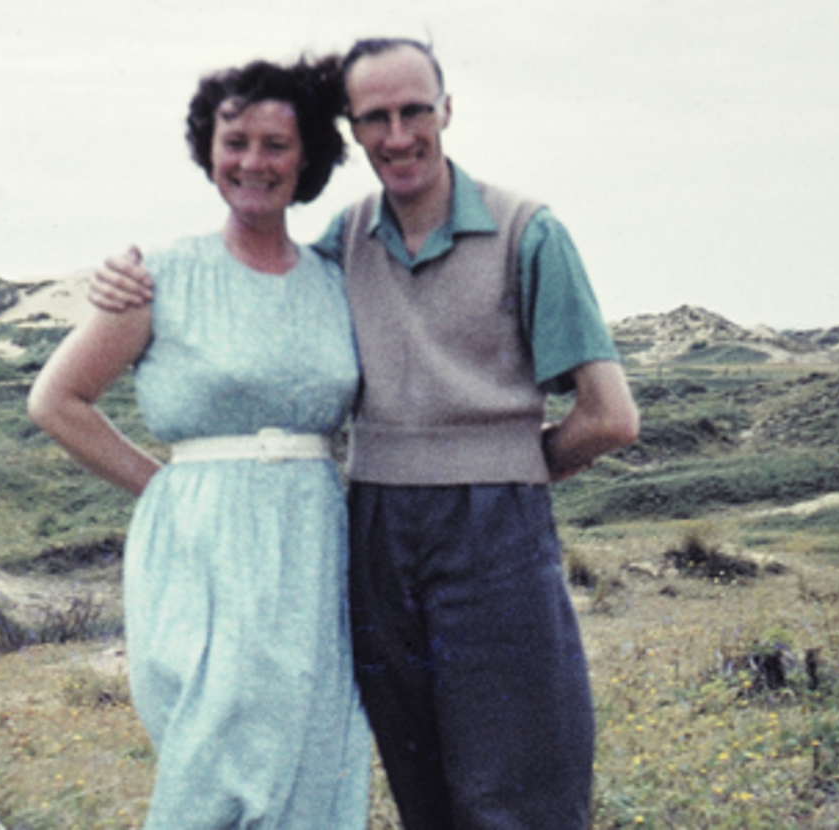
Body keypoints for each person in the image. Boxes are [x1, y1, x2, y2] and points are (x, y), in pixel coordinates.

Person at [90, 38, 640, 830]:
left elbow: (611, 417)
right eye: (374, 117)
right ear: (351, 130)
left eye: (415, 110)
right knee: (421, 782)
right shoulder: (342, 243)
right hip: (374, 531)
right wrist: (125, 275)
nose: (398, 134)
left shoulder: (528, 231)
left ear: (447, 110)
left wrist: (506, 471)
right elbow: (259, 292)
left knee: (516, 789)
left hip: (492, 529)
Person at [28, 56, 370, 829]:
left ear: (308, 155)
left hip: (315, 547)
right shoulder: (160, 276)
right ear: (207, 150)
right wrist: (165, 486)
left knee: (314, 747)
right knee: (219, 752)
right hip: (203, 547)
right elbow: (57, 400)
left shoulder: (335, 280)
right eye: (235, 140)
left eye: (276, 144)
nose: (253, 162)